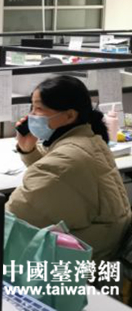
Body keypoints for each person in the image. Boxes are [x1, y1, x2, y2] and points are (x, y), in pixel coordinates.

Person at [7, 75, 131, 262]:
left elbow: (10, 220)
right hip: (106, 245)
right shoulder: (89, 140)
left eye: (39, 109)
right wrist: (28, 150)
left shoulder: (66, 160)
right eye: (32, 108)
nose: (31, 116)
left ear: (70, 115)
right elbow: (57, 183)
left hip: (86, 260)